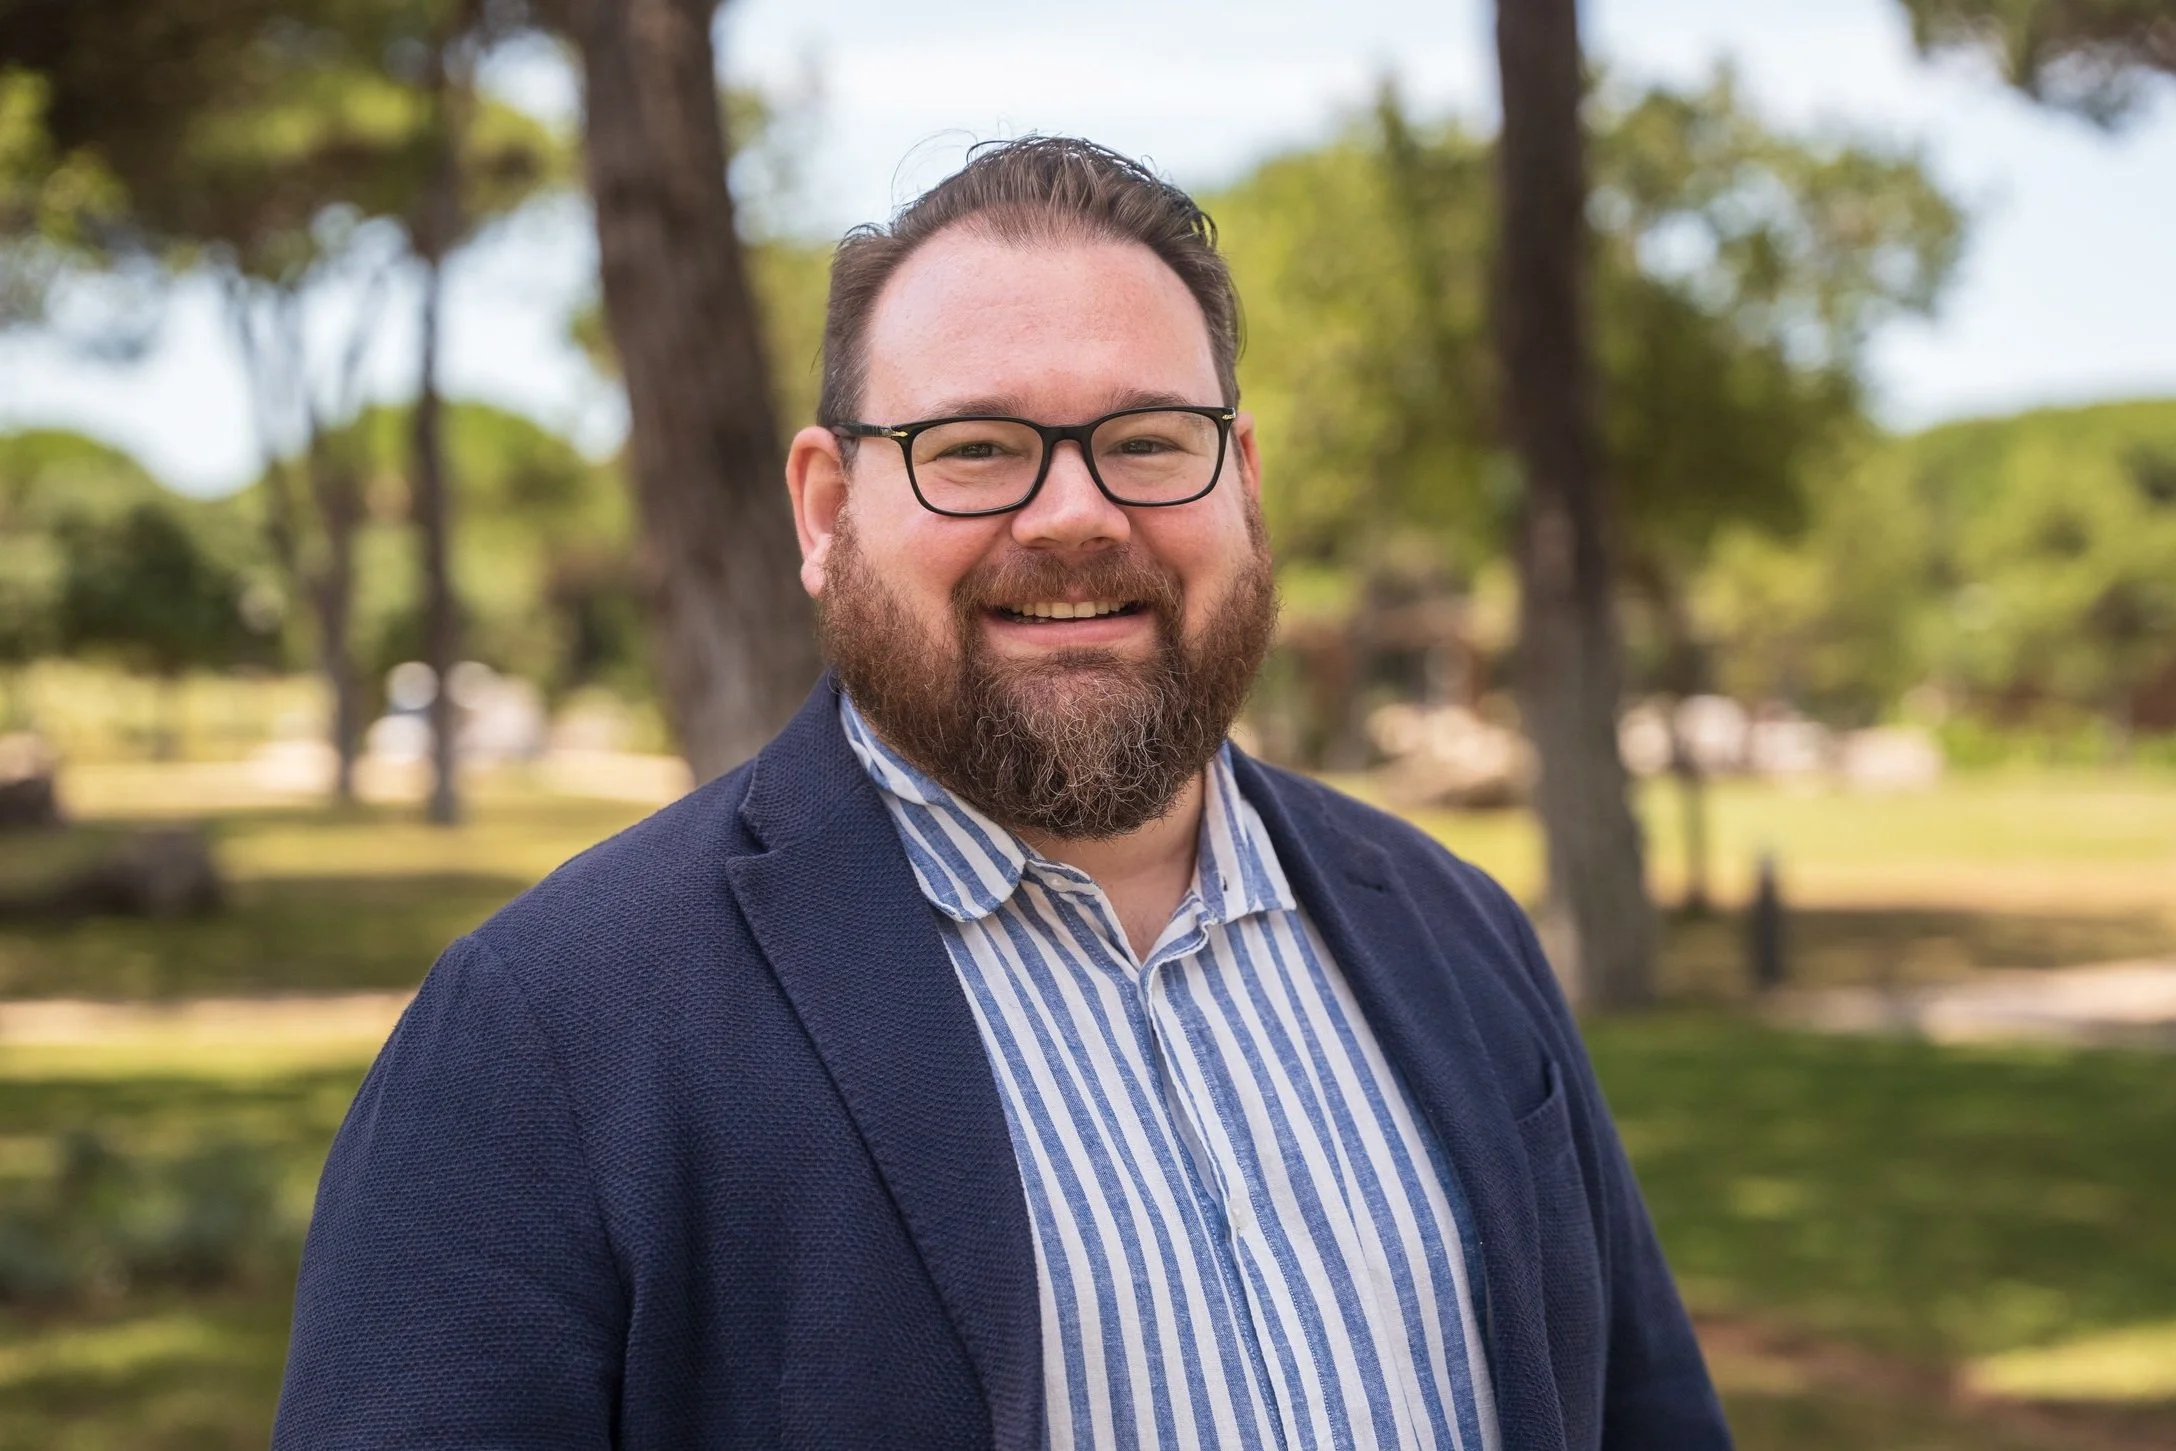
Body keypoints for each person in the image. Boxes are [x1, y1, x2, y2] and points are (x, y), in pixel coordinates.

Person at [274, 137, 1731, 1451]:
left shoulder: (1457, 935)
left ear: (1244, 480)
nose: (1078, 513)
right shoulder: (552, 1027)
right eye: (976, 448)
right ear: (829, 510)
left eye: (1150, 440)